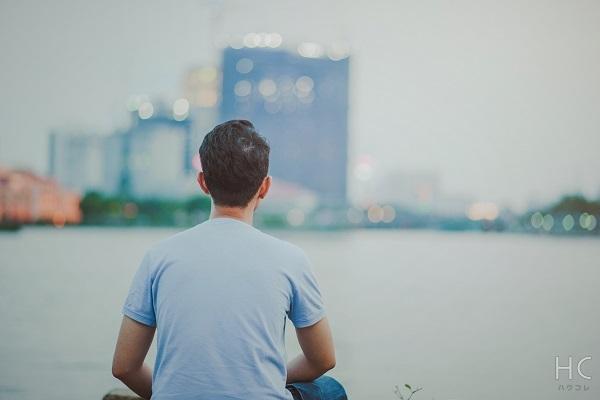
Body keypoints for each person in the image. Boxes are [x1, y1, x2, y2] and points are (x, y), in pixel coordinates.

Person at [112, 120, 347, 400]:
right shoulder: (290, 259)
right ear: (265, 187)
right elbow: (323, 359)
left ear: (203, 182)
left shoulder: (158, 256)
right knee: (330, 389)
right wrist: (266, 378)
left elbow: (124, 367)